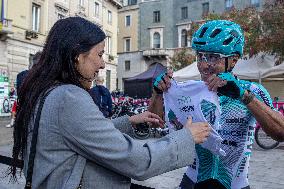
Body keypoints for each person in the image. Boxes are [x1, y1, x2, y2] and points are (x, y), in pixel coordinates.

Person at [9, 17, 211, 189]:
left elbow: (77, 134)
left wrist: (129, 122)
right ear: (78, 56)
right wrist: (186, 138)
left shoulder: (45, 89)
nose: (103, 63)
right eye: (99, 54)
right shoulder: (68, 98)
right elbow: (138, 161)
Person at [150, 20, 284, 189]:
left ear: (234, 60)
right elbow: (154, 122)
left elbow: (281, 133)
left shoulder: (252, 90)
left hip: (235, 184)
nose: (204, 65)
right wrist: (157, 93)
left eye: (213, 57)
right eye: (200, 56)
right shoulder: (188, 91)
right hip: (193, 181)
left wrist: (244, 96)